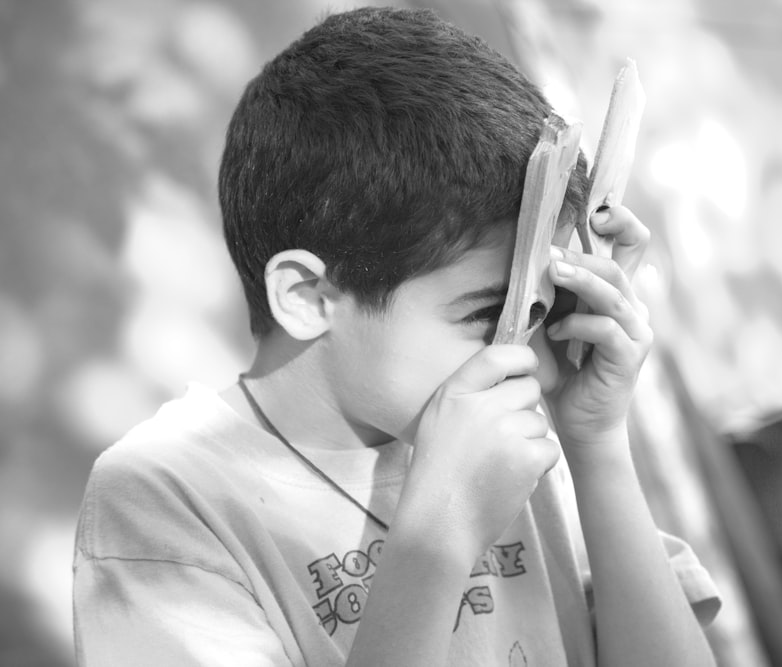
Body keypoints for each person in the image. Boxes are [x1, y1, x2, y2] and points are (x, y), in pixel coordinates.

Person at [73, 6, 720, 666]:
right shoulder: (163, 497)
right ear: (307, 296)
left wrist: (598, 443)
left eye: (541, 313)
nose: (542, 370)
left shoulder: (514, 434)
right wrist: (442, 531)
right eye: (484, 315)